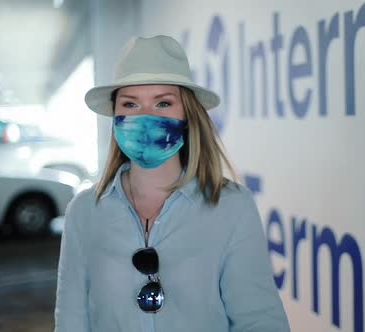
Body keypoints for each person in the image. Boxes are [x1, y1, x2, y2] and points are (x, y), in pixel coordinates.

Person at [54, 35, 290, 332]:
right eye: (131, 104)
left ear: (188, 114)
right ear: (116, 115)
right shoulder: (84, 212)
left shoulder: (231, 205)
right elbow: (71, 323)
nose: (147, 117)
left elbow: (259, 322)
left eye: (163, 103)